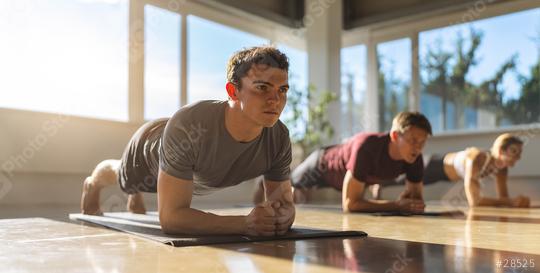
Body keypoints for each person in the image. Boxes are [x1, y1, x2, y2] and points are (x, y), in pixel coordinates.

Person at [80, 46, 295, 236]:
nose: (275, 100)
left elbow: (283, 204)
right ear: (233, 91)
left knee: (148, 187)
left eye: (282, 90)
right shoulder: (189, 125)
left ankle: (135, 194)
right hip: (149, 150)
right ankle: (93, 184)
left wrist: (284, 215)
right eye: (262, 87)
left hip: (183, 157)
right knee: (122, 177)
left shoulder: (279, 139)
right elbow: (171, 218)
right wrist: (244, 224)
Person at [254, 111, 433, 213]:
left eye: (422, 142)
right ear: (395, 135)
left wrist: (411, 203)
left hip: (344, 174)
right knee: (287, 184)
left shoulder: (414, 157)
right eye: (413, 140)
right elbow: (350, 205)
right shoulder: (367, 147)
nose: (418, 147)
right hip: (322, 164)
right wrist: (396, 205)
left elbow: (415, 200)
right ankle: (259, 182)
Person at [377, 133, 529, 207]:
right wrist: (511, 201)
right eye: (515, 152)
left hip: (448, 176)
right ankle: (376, 181)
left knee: (406, 183)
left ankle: (379, 183)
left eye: (521, 153)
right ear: (501, 150)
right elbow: (474, 201)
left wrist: (513, 202)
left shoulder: (502, 170)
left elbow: (504, 200)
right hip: (435, 165)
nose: (519, 157)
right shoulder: (478, 158)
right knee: (402, 179)